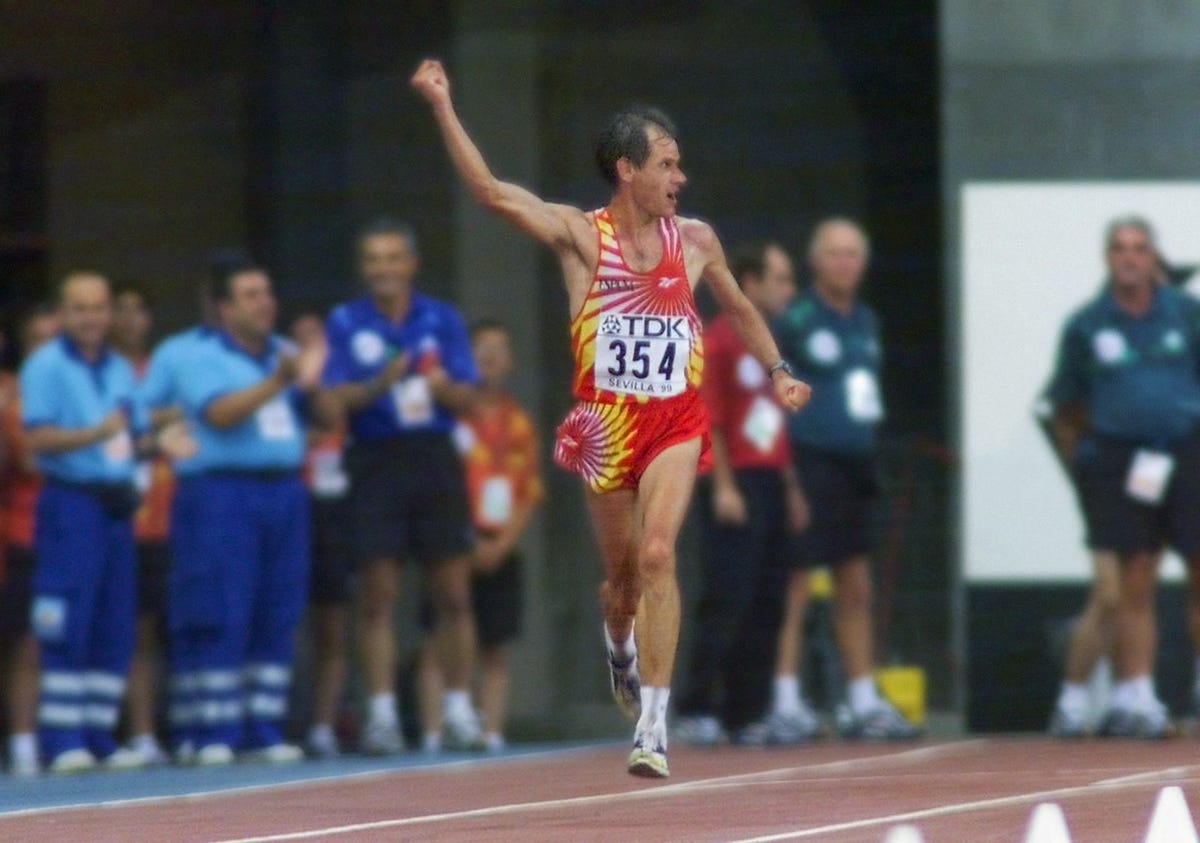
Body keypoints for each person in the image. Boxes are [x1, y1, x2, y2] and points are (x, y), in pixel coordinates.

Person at [412, 58, 810, 777]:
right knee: (621, 583)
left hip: (674, 424)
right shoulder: (580, 236)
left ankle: (654, 726)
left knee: (660, 554)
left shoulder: (695, 242)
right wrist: (443, 105)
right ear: (628, 170)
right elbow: (490, 191)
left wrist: (778, 370)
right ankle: (619, 644)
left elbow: (741, 309)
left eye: (679, 164)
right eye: (667, 164)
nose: (679, 178)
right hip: (605, 430)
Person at [321, 219, 482, 754]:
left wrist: (443, 387)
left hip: (433, 457)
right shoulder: (346, 322)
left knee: (453, 594)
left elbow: (469, 399)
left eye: (393, 258)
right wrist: (378, 385)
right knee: (378, 594)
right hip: (374, 460)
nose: (383, 269)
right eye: (373, 259)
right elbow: (334, 400)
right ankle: (383, 716)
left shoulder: (442, 318)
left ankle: (460, 711)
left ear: (410, 264)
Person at [1040, 214, 1200, 738]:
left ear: (1153, 257)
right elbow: (1065, 409)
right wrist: (1087, 472)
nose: (1129, 256)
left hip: (1186, 453)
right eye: (1119, 247)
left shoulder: (1186, 313)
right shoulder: (1087, 324)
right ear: (1107, 257)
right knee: (1134, 579)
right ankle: (1138, 697)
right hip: (1119, 463)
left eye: (1138, 247)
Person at [168, 257, 329, 765]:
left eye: (267, 293)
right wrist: (280, 382)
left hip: (283, 494)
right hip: (222, 494)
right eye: (251, 295)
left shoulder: (283, 353)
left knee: (277, 608)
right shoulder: (203, 357)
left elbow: (324, 416)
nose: (265, 303)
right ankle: (212, 730)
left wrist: (318, 373)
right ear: (224, 307)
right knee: (220, 607)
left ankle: (262, 727)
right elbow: (218, 415)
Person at [771, 218, 918, 741]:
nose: (844, 263)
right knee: (795, 583)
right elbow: (774, 393)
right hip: (809, 461)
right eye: (834, 254)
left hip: (856, 464)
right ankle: (783, 698)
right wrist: (785, 473)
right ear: (816, 262)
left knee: (855, 581)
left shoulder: (867, 321)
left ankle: (861, 698)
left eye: (853, 254)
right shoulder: (795, 319)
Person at [674, 242, 812, 747]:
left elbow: (774, 421)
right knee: (727, 596)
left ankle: (745, 710)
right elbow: (710, 418)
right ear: (748, 284)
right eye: (779, 279)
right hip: (736, 483)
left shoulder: (767, 344)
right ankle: (697, 705)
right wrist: (725, 486)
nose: (788, 290)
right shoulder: (719, 342)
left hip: (771, 480)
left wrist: (791, 486)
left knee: (768, 599)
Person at [20, 272, 150, 773]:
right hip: (70, 502)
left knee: (113, 620)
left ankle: (99, 735)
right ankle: (62, 738)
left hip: (116, 505)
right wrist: (95, 433)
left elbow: (134, 435)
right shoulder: (45, 365)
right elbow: (38, 441)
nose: (91, 318)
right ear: (63, 313)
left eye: (99, 307)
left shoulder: (120, 368)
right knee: (65, 617)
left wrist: (158, 441)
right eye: (80, 308)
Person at [418, 319, 544, 753]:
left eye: (498, 349)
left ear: (509, 361)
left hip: (499, 542)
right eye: (480, 349)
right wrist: (466, 538)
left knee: (495, 645)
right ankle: (434, 734)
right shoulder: (449, 419)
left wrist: (503, 542)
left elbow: (528, 493)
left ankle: (491, 734)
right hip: (454, 541)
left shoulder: (521, 424)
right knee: (439, 639)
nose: (489, 357)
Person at [109, 285, 175, 765]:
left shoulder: (164, 369)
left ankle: (162, 731)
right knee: (128, 630)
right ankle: (132, 733)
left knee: (163, 628)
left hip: (169, 516)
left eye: (139, 309)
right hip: (119, 519)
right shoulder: (104, 372)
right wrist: (158, 422)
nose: (130, 319)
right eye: (122, 310)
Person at [289, 311, 353, 759]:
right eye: (300, 340)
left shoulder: (336, 386)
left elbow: (332, 420)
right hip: (287, 508)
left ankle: (323, 725)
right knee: (282, 620)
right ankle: (270, 724)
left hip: (333, 512)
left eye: (317, 339)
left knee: (332, 625)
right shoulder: (278, 389)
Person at [0, 306, 60, 775]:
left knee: (33, 640)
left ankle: (27, 742)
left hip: (49, 534)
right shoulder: (11, 397)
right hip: (14, 533)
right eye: (40, 342)